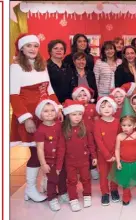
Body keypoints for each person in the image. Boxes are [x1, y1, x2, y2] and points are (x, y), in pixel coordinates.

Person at [10, 34, 63, 202]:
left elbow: (50, 90)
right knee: (35, 153)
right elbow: (14, 95)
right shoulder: (16, 67)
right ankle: (30, 188)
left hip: (46, 114)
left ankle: (45, 184)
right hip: (30, 116)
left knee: (47, 151)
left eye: (35, 46)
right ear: (21, 49)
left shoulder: (42, 65)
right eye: (28, 46)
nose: (32, 49)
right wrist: (26, 119)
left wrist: (58, 108)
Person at [56, 99, 97, 212]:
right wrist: (59, 166)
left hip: (84, 160)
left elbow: (90, 144)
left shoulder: (85, 128)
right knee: (72, 181)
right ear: (68, 115)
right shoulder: (64, 130)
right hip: (70, 162)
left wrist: (94, 156)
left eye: (79, 114)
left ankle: (87, 195)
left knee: (86, 178)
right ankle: (73, 199)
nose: (77, 117)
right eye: (74, 114)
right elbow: (61, 148)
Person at [110, 98, 136, 205]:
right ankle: (126, 195)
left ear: (134, 125)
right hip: (124, 162)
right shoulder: (120, 136)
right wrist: (118, 162)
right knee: (125, 180)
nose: (126, 128)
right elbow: (117, 149)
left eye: (129, 125)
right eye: (123, 125)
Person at [34, 99, 68, 211]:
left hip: (61, 158)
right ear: (40, 114)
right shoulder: (40, 130)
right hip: (49, 160)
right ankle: (52, 197)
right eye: (46, 111)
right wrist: (43, 164)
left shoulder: (59, 125)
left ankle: (63, 193)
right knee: (52, 180)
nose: (50, 113)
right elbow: (39, 149)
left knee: (63, 177)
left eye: (52, 110)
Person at [93, 95, 120, 205]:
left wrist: (114, 154)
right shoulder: (97, 123)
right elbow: (99, 141)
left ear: (113, 108)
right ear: (99, 109)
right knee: (103, 175)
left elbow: (119, 138)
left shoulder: (118, 122)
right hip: (103, 155)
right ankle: (105, 193)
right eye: (103, 107)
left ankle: (114, 190)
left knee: (114, 174)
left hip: (116, 154)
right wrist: (107, 155)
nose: (107, 109)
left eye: (109, 106)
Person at [47, 39, 75, 104]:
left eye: (61, 49)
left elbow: (72, 85)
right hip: (51, 102)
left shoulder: (68, 66)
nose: (59, 50)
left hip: (68, 102)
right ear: (50, 51)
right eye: (55, 48)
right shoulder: (45, 66)